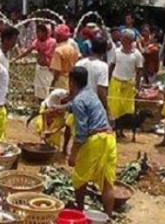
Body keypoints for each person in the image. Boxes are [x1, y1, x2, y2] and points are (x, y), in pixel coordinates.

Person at [59, 66, 116, 217]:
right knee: (107, 182)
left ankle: (80, 210)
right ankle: (108, 217)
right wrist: (63, 107)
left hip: (94, 140)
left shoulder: (78, 101)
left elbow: (81, 134)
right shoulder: (90, 93)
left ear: (71, 82)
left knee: (79, 178)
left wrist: (72, 155)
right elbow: (78, 105)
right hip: (109, 138)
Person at [107, 29, 143, 122]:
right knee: (114, 106)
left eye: (123, 37)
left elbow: (139, 71)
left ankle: (122, 128)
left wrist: (137, 87)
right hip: (116, 82)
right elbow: (112, 66)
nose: (121, 39)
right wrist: (107, 79)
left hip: (129, 84)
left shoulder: (137, 54)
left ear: (129, 40)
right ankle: (114, 127)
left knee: (126, 109)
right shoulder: (116, 51)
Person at [14, 24, 57, 102]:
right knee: (38, 89)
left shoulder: (52, 42)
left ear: (45, 32)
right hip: (40, 68)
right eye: (37, 32)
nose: (37, 34)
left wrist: (40, 52)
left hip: (48, 69)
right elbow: (28, 51)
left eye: (39, 32)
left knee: (46, 88)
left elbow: (47, 55)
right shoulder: (37, 41)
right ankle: (39, 104)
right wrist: (17, 58)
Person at [75, 37, 109, 105]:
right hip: (93, 105)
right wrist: (106, 109)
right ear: (104, 51)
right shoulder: (103, 66)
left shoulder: (79, 63)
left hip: (78, 102)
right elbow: (101, 90)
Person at [50, 24, 79, 90]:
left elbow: (57, 71)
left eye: (56, 35)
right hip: (71, 79)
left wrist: (53, 82)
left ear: (59, 36)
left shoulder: (58, 51)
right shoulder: (71, 48)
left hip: (61, 80)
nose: (55, 37)